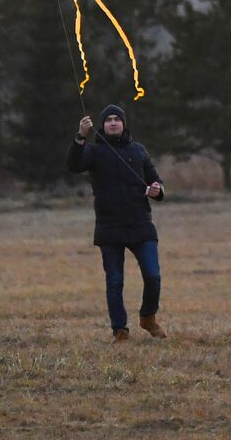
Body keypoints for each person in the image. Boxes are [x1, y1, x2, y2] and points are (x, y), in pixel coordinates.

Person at [67, 104, 167, 342]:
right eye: (108, 120)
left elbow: (156, 182)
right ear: (102, 126)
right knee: (115, 281)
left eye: (117, 119)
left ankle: (148, 317)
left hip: (140, 224)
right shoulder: (93, 152)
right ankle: (120, 330)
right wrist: (81, 136)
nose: (113, 123)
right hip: (109, 227)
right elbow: (73, 165)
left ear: (124, 124)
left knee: (153, 276)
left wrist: (157, 191)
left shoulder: (139, 150)